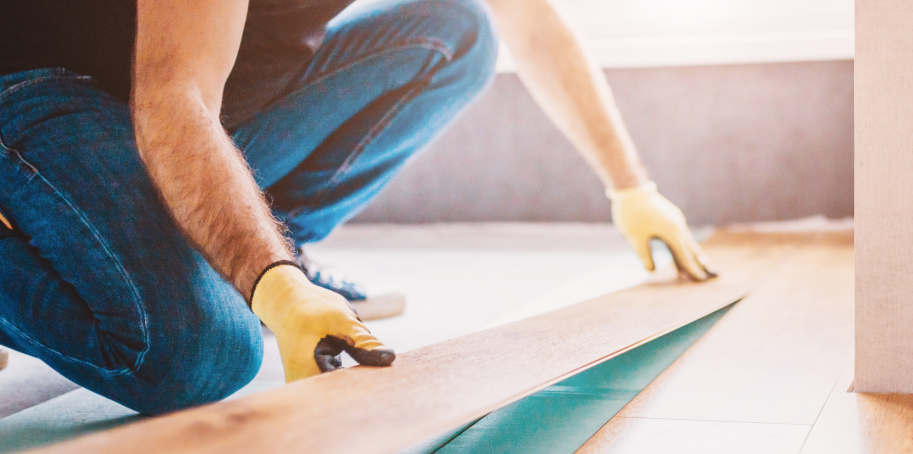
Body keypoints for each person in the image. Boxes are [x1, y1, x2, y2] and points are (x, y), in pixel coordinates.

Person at [0, 0, 715, 415]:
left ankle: (263, 251)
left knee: (456, 30)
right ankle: (251, 267)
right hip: (51, 87)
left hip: (212, 102)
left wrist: (632, 188)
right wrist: (271, 285)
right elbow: (172, 96)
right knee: (198, 353)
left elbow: (533, 26)